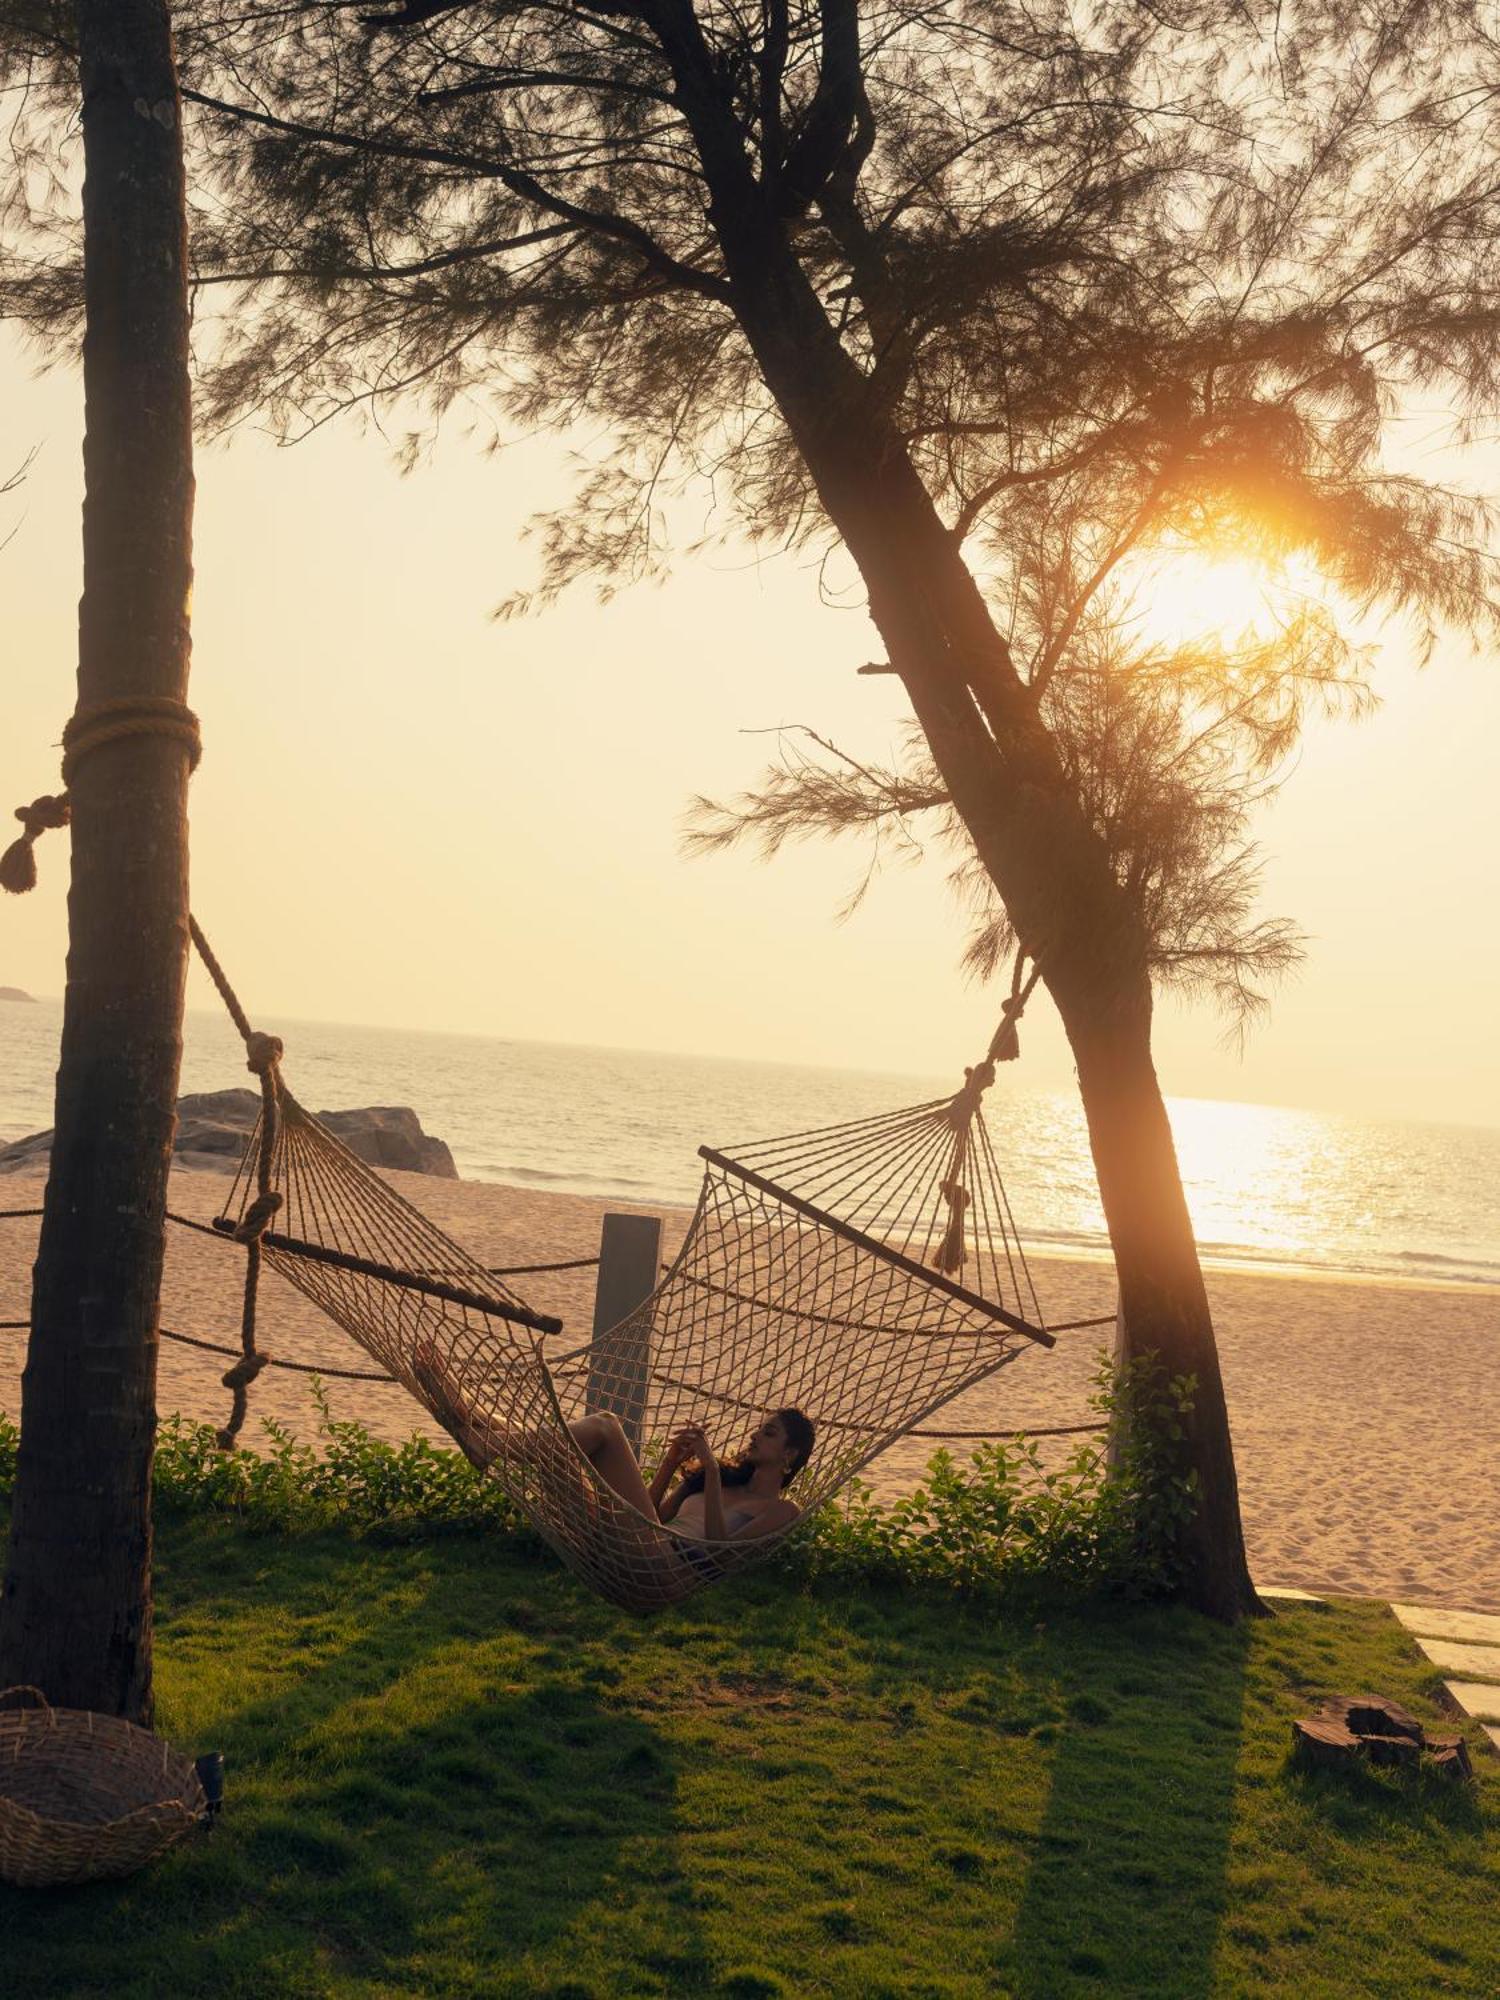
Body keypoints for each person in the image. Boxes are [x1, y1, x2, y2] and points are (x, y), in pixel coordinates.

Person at [411, 1339, 814, 1546]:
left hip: (663, 1569)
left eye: (769, 1433)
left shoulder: (781, 1510)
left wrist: (708, 1470)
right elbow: (652, 1513)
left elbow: (719, 1549)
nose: (755, 1435)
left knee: (605, 1425)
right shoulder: (728, 1481)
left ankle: (478, 1433)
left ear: (790, 1455)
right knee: (558, 1451)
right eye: (760, 1428)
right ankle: (470, 1414)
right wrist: (671, 1464)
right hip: (633, 1545)